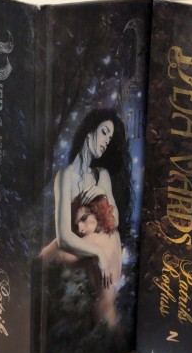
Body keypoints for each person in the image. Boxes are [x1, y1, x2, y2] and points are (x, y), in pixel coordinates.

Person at [40, 108, 132, 323]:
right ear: (89, 132)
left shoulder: (101, 175)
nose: (106, 141)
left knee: (110, 237)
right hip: (75, 247)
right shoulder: (65, 177)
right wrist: (98, 253)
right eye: (104, 132)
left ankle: (106, 319)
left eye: (110, 138)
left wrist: (100, 194)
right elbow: (64, 237)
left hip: (94, 246)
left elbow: (114, 221)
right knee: (48, 257)